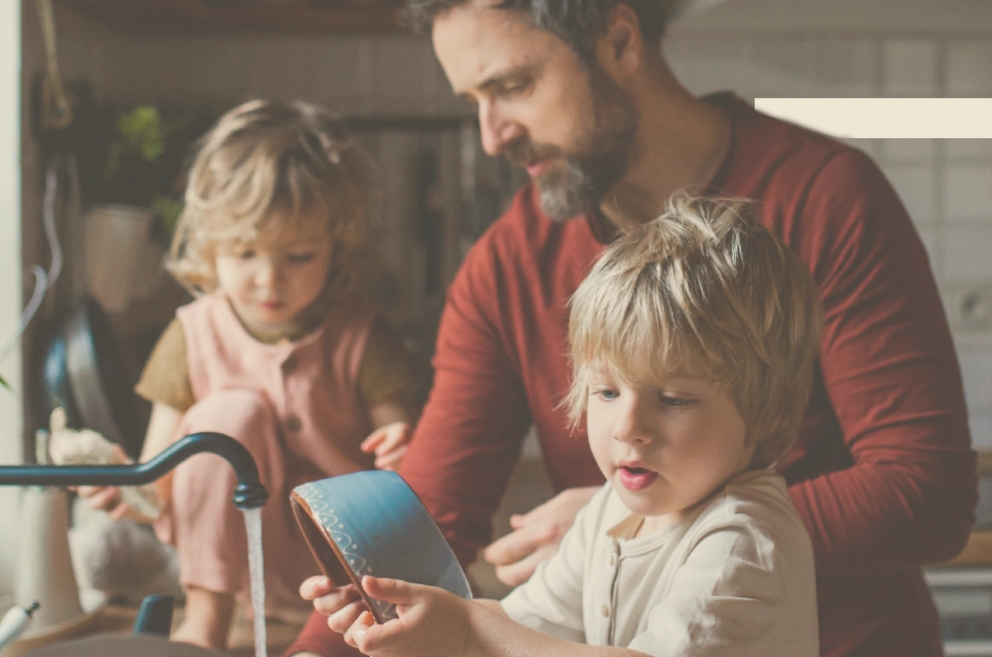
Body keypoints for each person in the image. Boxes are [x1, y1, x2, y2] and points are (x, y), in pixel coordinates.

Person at [294, 1, 978, 655]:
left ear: (620, 41)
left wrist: (665, 515)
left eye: (513, 85)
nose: (492, 134)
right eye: (474, 100)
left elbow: (923, 488)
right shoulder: (506, 264)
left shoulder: (826, 198)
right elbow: (435, 513)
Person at [309, 194, 824, 657]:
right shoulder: (611, 510)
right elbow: (521, 626)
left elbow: (492, 639)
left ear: (768, 412)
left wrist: (468, 634)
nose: (628, 427)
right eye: (606, 391)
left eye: (672, 399)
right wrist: (414, 613)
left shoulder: (741, 542)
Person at [82, 99, 423, 649]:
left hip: (347, 566)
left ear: (336, 248)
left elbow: (408, 453)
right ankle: (206, 624)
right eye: (244, 254)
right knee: (226, 416)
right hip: (233, 568)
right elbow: (158, 477)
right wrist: (128, 484)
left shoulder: (362, 334)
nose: (269, 280)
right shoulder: (191, 335)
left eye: (298, 257)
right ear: (211, 247)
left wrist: (404, 447)